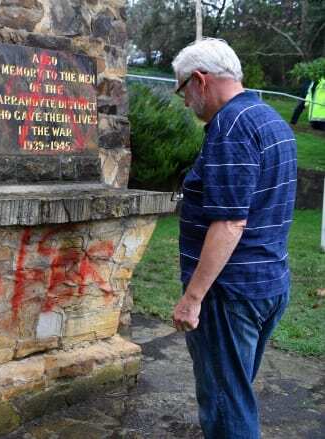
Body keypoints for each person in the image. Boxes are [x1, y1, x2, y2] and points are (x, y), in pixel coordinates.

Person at [170, 38, 296, 439]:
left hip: (229, 295)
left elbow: (229, 224)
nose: (185, 102)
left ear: (200, 80)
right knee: (235, 393)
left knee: (226, 407)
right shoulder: (270, 118)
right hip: (268, 285)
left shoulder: (231, 126)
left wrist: (193, 298)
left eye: (182, 90)